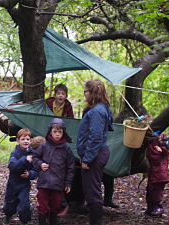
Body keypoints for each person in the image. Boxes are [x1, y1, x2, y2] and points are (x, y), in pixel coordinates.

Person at [77, 79, 114, 225]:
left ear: (92, 93)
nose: (84, 94)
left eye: (85, 91)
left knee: (93, 192)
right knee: (91, 190)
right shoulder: (99, 108)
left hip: (95, 155)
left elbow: (96, 137)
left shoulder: (98, 111)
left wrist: (87, 158)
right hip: (95, 154)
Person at [33, 118, 75, 225]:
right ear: (50, 132)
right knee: (42, 206)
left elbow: (70, 167)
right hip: (44, 182)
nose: (57, 134)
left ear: (63, 133)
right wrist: (40, 164)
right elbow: (34, 157)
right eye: (55, 132)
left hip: (58, 183)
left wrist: (68, 182)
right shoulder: (44, 145)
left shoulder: (66, 149)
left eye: (60, 132)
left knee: (55, 206)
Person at [2, 128, 38, 225]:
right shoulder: (15, 153)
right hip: (13, 183)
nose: (25, 141)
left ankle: (24, 221)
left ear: (30, 140)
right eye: (23, 139)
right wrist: (25, 159)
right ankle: (8, 216)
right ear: (18, 140)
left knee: (24, 205)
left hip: (24, 185)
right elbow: (12, 166)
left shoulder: (33, 154)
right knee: (10, 203)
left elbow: (36, 170)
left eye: (27, 139)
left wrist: (29, 174)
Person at [145, 133, 169, 216]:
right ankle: (150, 207)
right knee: (150, 190)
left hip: (160, 171)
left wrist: (161, 149)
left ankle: (158, 207)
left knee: (157, 191)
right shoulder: (149, 138)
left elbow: (167, 150)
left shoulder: (162, 138)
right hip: (152, 170)